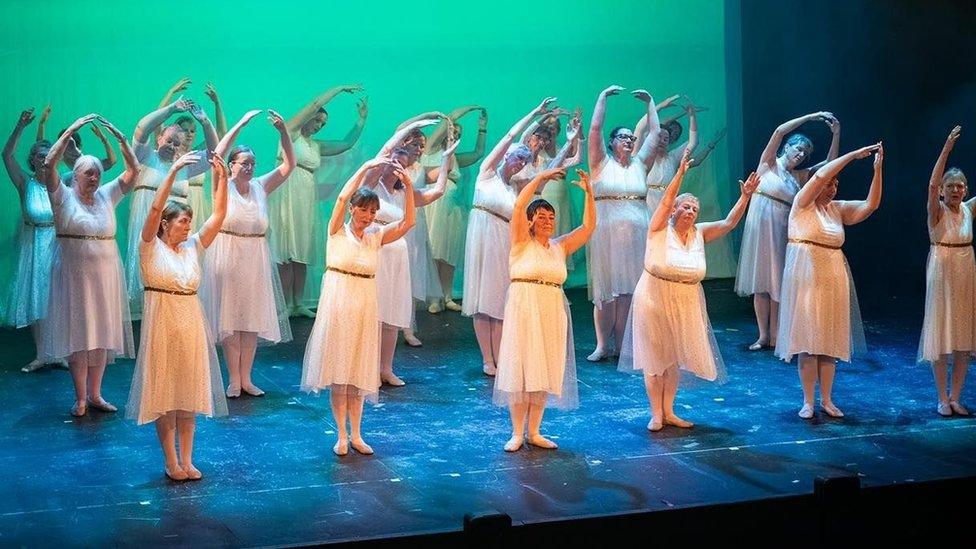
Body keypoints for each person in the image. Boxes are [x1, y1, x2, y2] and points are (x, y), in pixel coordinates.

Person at [620, 153, 758, 431]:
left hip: (686, 299)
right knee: (654, 356)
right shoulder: (658, 228)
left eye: (695, 208)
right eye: (686, 207)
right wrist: (680, 171)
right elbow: (668, 199)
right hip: (654, 295)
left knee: (672, 359)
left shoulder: (699, 232)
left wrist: (745, 197)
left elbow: (729, 223)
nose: (691, 211)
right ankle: (656, 413)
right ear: (674, 210)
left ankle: (669, 411)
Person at [126, 151, 230, 481]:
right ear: (166, 225)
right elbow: (154, 208)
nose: (189, 225)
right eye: (182, 221)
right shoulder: (149, 247)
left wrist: (222, 181)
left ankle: (188, 459)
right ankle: (171, 461)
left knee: (188, 395)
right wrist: (172, 172)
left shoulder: (192, 248)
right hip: (162, 326)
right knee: (165, 396)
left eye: (189, 220)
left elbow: (219, 216)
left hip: (190, 325)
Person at [300, 156, 415, 456]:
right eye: (363, 209)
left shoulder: (376, 236)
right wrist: (365, 168)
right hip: (339, 301)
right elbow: (340, 196)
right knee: (341, 370)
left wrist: (411, 189)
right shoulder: (338, 231)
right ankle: (340, 434)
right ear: (353, 209)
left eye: (373, 211)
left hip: (365, 301)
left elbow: (408, 223)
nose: (368, 215)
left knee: (359, 371)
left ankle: (358, 433)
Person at [41, 114, 139, 417]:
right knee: (79, 335)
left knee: (100, 335)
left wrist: (122, 141)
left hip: (104, 275)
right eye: (88, 173)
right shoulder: (62, 197)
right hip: (73, 276)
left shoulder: (107, 196)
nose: (94, 178)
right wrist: (70, 131)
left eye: (96, 173)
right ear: (75, 175)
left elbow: (133, 171)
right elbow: (48, 165)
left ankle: (96, 394)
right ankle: (81, 397)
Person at [776, 143, 883, 419]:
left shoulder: (837, 209)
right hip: (806, 275)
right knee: (808, 340)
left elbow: (871, 205)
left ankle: (827, 399)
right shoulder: (802, 204)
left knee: (829, 341)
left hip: (832, 276)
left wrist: (877, 169)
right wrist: (852, 156)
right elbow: (820, 176)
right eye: (828, 184)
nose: (832, 188)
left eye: (836, 184)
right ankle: (808, 401)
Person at [494, 167, 595, 451]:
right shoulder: (521, 242)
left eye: (551, 217)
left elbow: (587, 229)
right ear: (530, 221)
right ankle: (516, 432)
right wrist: (541, 178)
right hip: (525, 307)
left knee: (544, 369)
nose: (548, 221)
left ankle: (535, 431)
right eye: (541, 217)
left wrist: (589, 195)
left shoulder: (559, 246)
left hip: (551, 308)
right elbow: (518, 205)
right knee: (522, 369)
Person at [201, 109, 296, 397]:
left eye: (253, 163)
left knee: (250, 319)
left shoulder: (260, 187)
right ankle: (233, 378)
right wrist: (240, 123)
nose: (250, 167)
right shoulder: (222, 185)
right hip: (228, 254)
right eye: (244, 163)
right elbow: (216, 153)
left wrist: (283, 133)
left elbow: (289, 165)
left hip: (254, 256)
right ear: (231, 166)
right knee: (231, 319)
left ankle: (247, 378)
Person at [463, 97, 557, 376]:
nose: (519, 164)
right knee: (481, 298)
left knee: (499, 297)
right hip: (482, 234)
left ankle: (502, 357)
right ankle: (487, 359)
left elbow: (542, 180)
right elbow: (509, 136)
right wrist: (535, 114)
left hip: (503, 238)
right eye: (517, 157)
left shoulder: (515, 187)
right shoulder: (487, 174)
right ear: (507, 156)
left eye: (524, 161)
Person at [736, 112, 840, 351]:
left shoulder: (798, 177)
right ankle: (763, 336)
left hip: (783, 227)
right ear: (787, 147)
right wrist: (812, 117)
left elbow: (829, 165)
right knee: (762, 282)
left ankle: (776, 336)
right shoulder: (768, 164)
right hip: (761, 228)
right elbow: (779, 130)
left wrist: (836, 134)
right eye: (798, 149)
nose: (801, 154)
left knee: (778, 282)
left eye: (805, 153)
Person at [366, 120, 457, 385]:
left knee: (393, 313)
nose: (398, 167)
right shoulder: (372, 186)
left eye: (402, 164)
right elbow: (385, 149)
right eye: (394, 162)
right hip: (375, 251)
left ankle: (386, 368)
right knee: (374, 311)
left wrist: (446, 159)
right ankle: (369, 367)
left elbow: (437, 191)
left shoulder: (404, 192)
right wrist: (411, 127)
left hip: (397, 255)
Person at [272, 85, 368, 317]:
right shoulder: (291, 133)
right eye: (317, 121)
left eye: (323, 124)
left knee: (302, 249)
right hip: (287, 194)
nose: (319, 125)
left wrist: (361, 121)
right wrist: (340, 89)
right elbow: (315, 102)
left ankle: (298, 302)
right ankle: (284, 305)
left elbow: (346, 144)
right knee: (287, 250)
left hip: (305, 196)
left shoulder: (316, 145)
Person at [585, 85, 662, 361]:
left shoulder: (641, 165)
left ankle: (623, 344)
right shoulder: (601, 164)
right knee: (605, 292)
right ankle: (602, 345)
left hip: (636, 236)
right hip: (606, 234)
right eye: (623, 137)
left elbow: (654, 134)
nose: (629, 140)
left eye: (631, 137)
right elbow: (594, 130)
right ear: (612, 142)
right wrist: (601, 97)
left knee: (629, 292)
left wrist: (650, 103)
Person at [127, 98, 218, 318]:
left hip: (175, 231)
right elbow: (141, 128)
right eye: (168, 141)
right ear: (159, 138)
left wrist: (206, 123)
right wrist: (171, 109)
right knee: (152, 280)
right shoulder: (145, 157)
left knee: (173, 278)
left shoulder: (185, 165)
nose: (172, 146)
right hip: (149, 227)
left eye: (177, 144)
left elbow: (214, 153)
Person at [918, 126, 973, 416]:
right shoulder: (936, 210)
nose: (955, 190)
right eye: (950, 185)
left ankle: (955, 397)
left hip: (966, 267)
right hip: (942, 267)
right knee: (941, 334)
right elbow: (930, 185)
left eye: (960, 185)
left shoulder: (969, 209)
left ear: (966, 189)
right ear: (942, 190)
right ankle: (942, 398)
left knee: (963, 337)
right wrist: (946, 149)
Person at [2, 108, 60, 372]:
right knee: (37, 297)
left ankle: (57, 352)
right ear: (33, 160)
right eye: (40, 155)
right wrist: (20, 126)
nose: (44, 159)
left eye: (48, 155)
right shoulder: (26, 184)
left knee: (56, 298)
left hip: (56, 244)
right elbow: (7, 156)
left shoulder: (60, 183)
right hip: (34, 245)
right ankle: (41, 354)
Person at [425, 107, 488, 313]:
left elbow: (478, 153)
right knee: (434, 253)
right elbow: (449, 119)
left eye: (459, 135)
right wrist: (469, 109)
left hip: (452, 210)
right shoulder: (431, 150)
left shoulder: (456, 158)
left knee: (448, 254)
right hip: (434, 210)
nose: (455, 136)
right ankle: (434, 298)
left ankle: (447, 295)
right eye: (453, 132)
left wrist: (482, 129)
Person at [156, 79, 229, 231]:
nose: (189, 134)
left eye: (192, 130)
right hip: (174, 203)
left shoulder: (197, 154)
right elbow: (157, 122)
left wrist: (217, 103)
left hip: (197, 205)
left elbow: (221, 136)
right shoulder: (168, 155)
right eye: (185, 130)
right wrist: (171, 93)